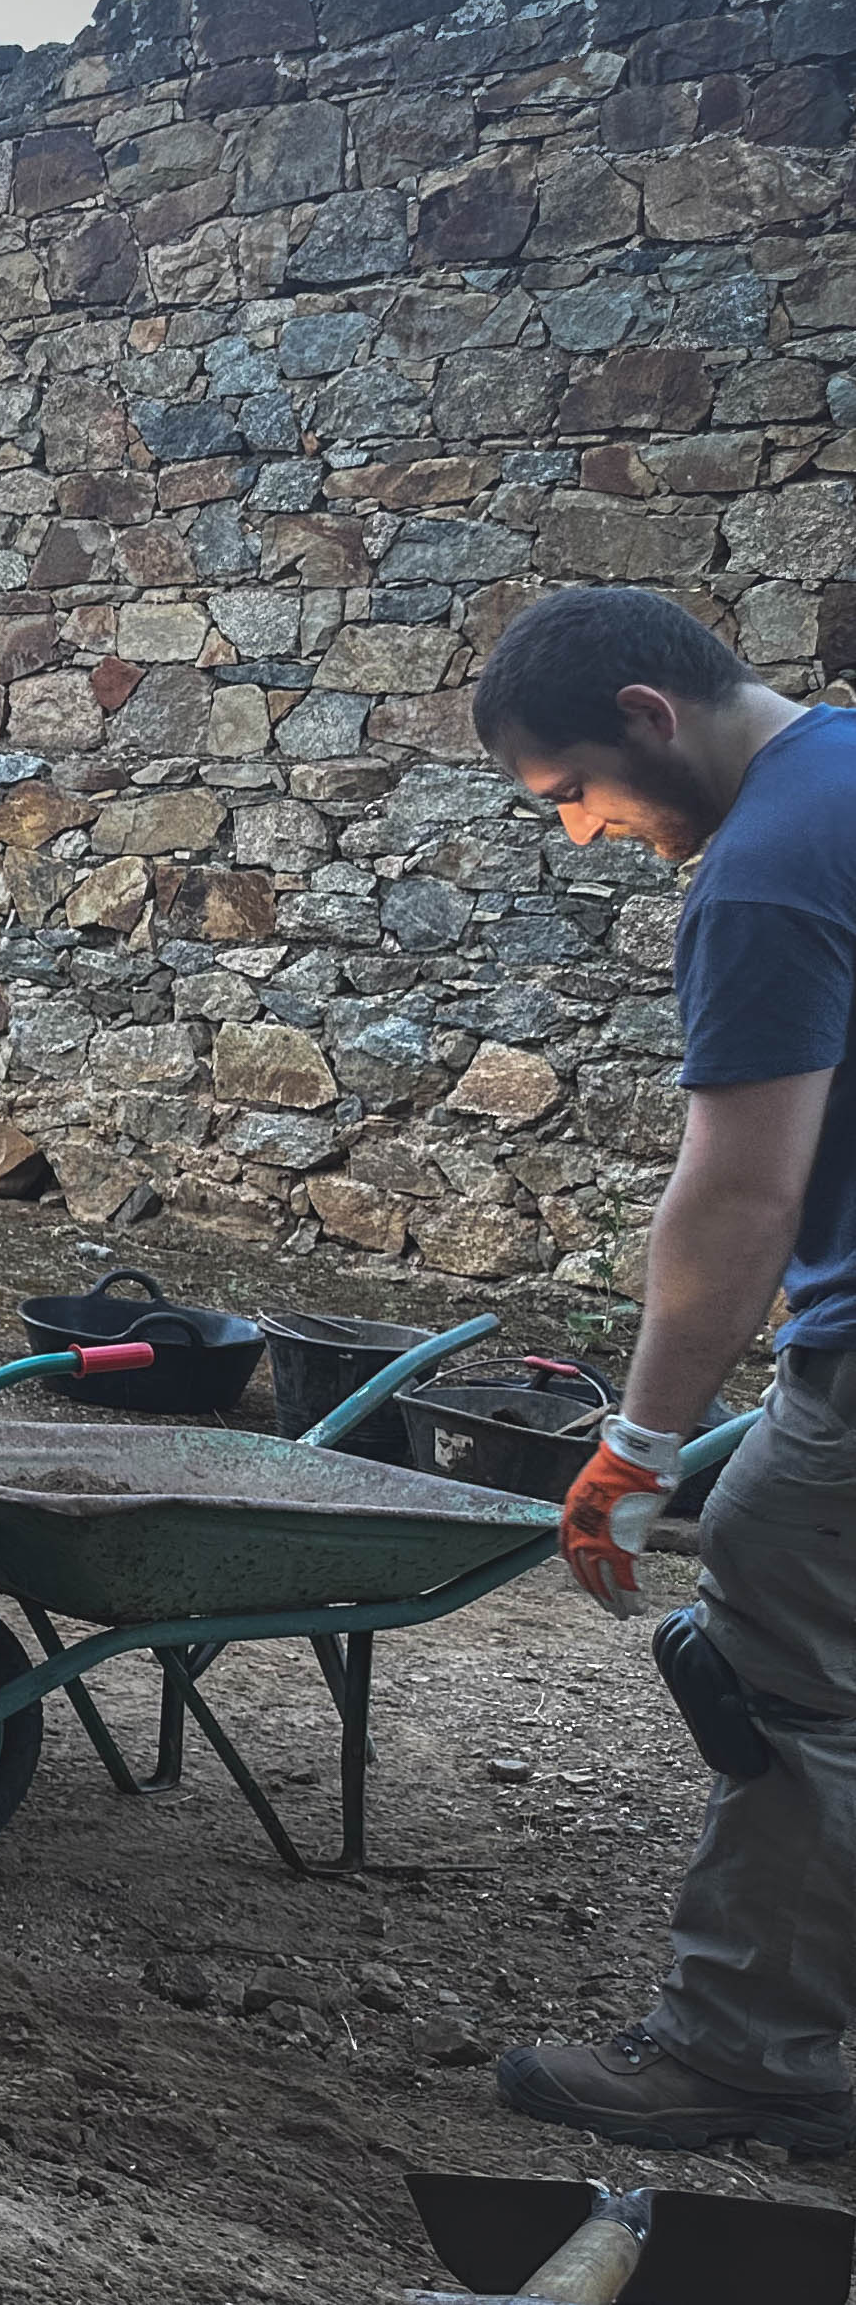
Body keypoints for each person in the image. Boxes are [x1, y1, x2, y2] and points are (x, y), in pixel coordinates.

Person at [474, 586, 856, 2158]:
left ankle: (747, 2049)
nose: (578, 834)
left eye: (570, 793)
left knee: (775, 1653)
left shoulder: (761, 874)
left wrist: (636, 1442)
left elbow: (736, 1195)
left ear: (647, 715)